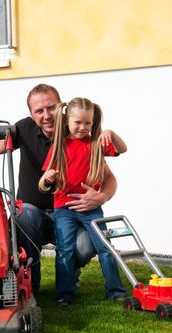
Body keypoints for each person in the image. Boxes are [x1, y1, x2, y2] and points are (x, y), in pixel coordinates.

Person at [0, 84, 123, 295]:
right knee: (24, 213)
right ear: (31, 114)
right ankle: (30, 282)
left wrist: (101, 197)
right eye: (39, 111)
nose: (47, 115)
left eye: (51, 108)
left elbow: (109, 178)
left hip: (71, 213)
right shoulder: (25, 129)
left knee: (85, 247)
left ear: (62, 108)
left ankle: (71, 275)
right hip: (34, 216)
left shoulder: (77, 132)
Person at [39, 97, 127, 306]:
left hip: (91, 209)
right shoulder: (59, 147)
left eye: (87, 123)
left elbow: (123, 149)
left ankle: (116, 291)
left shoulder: (96, 144)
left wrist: (111, 134)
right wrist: (49, 177)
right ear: (67, 121)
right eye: (78, 122)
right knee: (65, 251)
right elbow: (42, 182)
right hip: (64, 209)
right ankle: (65, 296)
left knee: (106, 247)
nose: (83, 127)